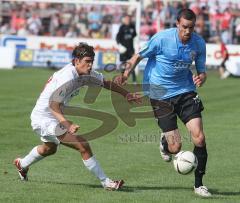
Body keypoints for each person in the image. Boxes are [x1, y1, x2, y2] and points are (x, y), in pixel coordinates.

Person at [14, 42, 141, 191]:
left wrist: (126, 94)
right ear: (76, 61)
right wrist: (67, 124)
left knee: (49, 149)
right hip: (43, 118)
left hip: (54, 116)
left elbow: (105, 83)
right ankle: (106, 182)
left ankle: (21, 164)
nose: (90, 65)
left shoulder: (86, 74)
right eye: (87, 62)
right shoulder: (67, 77)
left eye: (92, 62)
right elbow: (53, 105)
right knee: (83, 145)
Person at [114, 9, 212, 197]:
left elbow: (202, 71)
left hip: (185, 92)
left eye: (191, 28)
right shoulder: (161, 39)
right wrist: (126, 74)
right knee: (175, 148)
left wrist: (201, 78)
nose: (188, 31)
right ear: (177, 23)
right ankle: (165, 142)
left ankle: (199, 184)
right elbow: (138, 56)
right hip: (159, 93)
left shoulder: (199, 43)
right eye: (184, 27)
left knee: (199, 138)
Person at [116, 14, 137, 84]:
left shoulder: (132, 26)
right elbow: (118, 37)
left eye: (129, 19)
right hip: (124, 49)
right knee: (123, 65)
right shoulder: (122, 27)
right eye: (127, 19)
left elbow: (135, 36)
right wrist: (120, 45)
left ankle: (134, 81)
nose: (128, 20)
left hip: (131, 49)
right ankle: (123, 80)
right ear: (124, 20)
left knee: (132, 64)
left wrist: (136, 46)